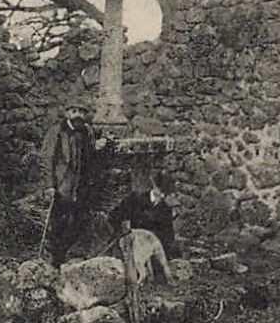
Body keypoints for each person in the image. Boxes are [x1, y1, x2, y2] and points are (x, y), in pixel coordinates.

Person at [40, 104, 98, 265]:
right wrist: (49, 185)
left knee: (77, 222)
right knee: (58, 223)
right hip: (62, 187)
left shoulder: (87, 132)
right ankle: (54, 260)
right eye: (74, 111)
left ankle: (67, 257)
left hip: (80, 188)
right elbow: (47, 160)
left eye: (81, 111)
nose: (78, 115)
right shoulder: (57, 132)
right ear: (67, 113)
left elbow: (91, 158)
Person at [109, 169, 180, 260]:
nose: (162, 196)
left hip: (151, 253)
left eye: (165, 193)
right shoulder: (134, 199)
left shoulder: (165, 209)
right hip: (129, 249)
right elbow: (113, 216)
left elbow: (168, 237)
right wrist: (123, 228)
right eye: (160, 191)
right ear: (154, 186)